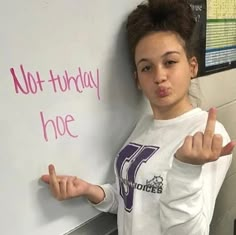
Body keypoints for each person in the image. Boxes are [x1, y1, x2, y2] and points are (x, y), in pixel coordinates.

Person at [41, 0, 236, 234]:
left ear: (192, 66)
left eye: (170, 62)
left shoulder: (207, 136)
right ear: (137, 80)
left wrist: (185, 170)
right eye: (147, 68)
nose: (159, 76)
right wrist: (91, 191)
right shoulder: (145, 125)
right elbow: (133, 199)